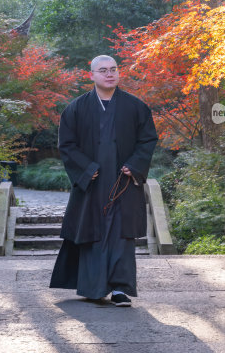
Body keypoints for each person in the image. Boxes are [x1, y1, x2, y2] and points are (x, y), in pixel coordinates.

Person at [50, 54, 158, 306]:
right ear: (92, 75)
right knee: (92, 233)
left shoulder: (135, 106)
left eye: (113, 69)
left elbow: (148, 140)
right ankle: (94, 287)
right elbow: (66, 144)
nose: (110, 74)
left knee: (121, 235)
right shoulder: (76, 108)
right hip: (92, 183)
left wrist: (135, 164)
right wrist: (86, 169)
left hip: (123, 182)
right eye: (103, 70)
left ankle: (120, 289)